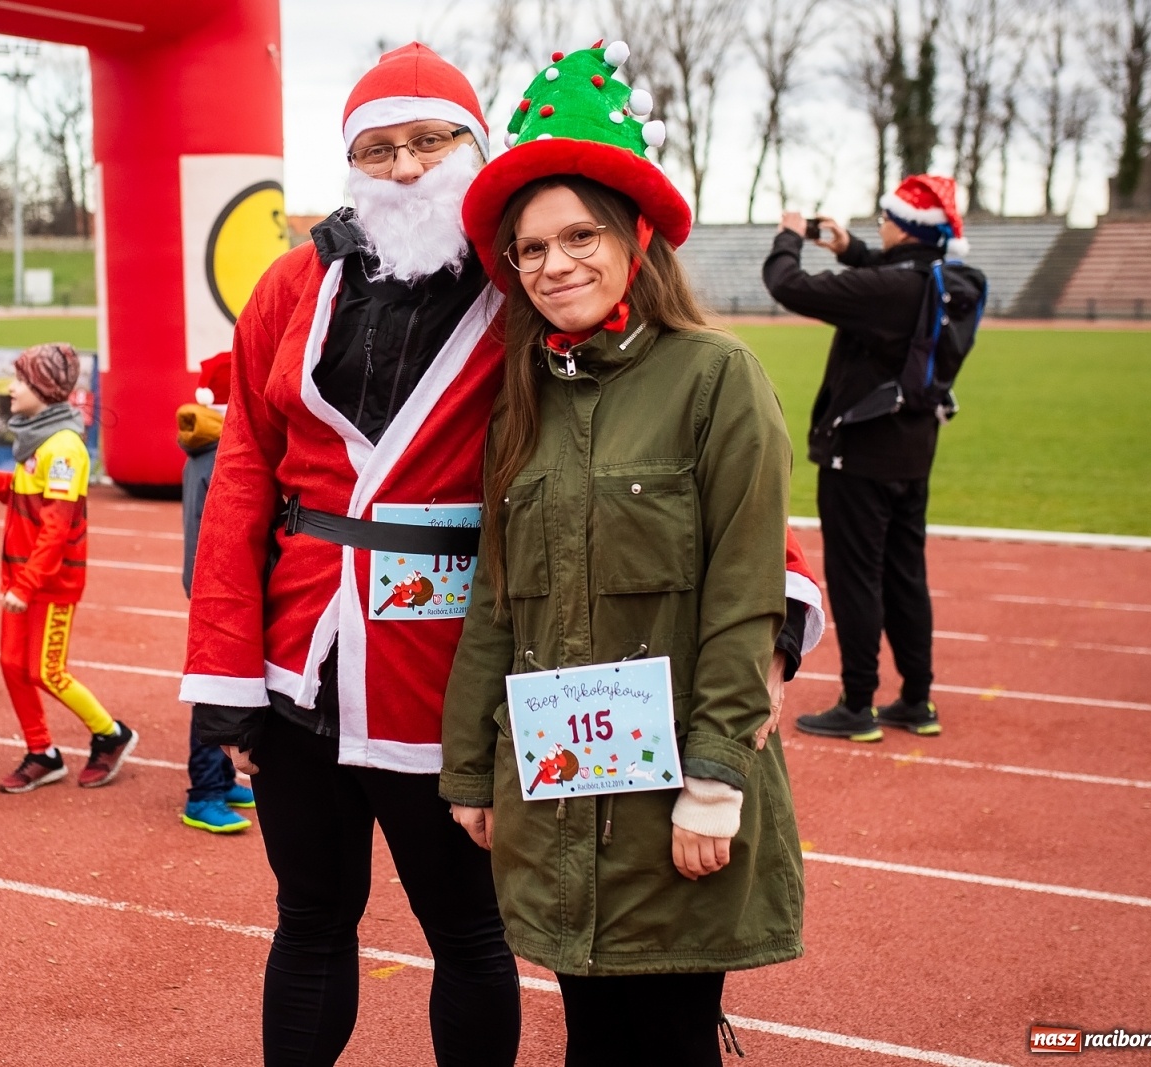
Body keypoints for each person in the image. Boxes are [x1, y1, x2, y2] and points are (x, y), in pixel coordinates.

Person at [441, 42, 804, 1065]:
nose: (554, 264)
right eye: (529, 249)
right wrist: (470, 767)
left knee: (669, 1039)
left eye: (579, 235)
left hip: (672, 799)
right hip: (555, 791)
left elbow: (743, 601)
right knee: (591, 1038)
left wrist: (716, 780)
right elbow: (496, 603)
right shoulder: (522, 401)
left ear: (636, 237)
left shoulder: (717, 379)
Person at [181, 43, 523, 1067]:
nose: (407, 167)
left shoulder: (529, 277)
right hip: (300, 661)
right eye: (379, 149)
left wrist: (770, 592)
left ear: (475, 146)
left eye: (430, 140)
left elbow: (650, 425)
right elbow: (241, 474)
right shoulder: (292, 284)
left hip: (448, 671)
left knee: (467, 931)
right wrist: (224, 676)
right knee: (309, 918)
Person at [763, 175, 970, 741]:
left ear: (903, 226)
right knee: (906, 573)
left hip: (859, 452)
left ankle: (858, 703)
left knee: (857, 578)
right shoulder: (947, 278)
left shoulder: (889, 290)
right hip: (914, 449)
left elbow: (787, 284)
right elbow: (897, 274)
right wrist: (850, 249)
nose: (879, 226)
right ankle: (917, 699)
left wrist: (789, 237)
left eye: (887, 218)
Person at [0, 343, 139, 793]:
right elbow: (30, 494)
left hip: (49, 582)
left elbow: (57, 528)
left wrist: (25, 587)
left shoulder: (64, 448)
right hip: (21, 577)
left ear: (42, 388)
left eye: (19, 380)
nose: (10, 388)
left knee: (46, 670)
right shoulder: (35, 435)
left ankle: (110, 734)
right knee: (11, 664)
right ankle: (42, 752)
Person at [175, 352, 254, 832]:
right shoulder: (221, 456)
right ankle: (202, 792)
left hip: (212, 584)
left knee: (225, 687)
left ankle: (220, 778)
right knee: (217, 691)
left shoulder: (205, 450)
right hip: (220, 590)